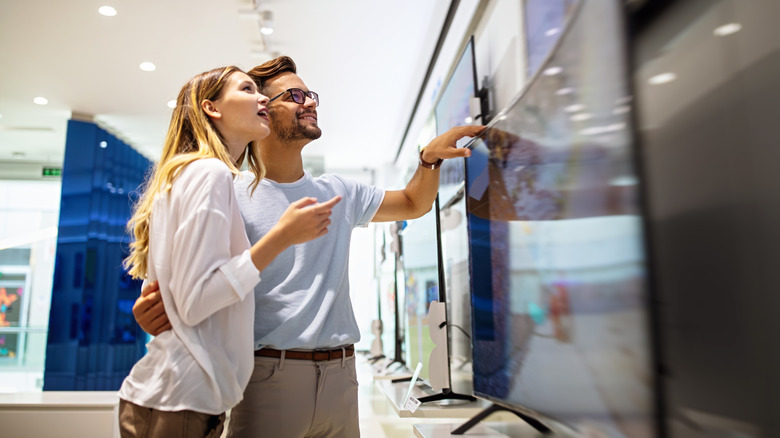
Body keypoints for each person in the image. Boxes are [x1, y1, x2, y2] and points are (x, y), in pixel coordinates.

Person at [133, 56, 485, 438]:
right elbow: (188, 281)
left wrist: (428, 159)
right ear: (265, 111)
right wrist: (154, 307)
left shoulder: (338, 191)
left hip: (343, 377)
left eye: (310, 94)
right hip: (266, 378)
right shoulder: (227, 188)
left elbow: (414, 204)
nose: (310, 102)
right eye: (295, 95)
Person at [118, 65, 340, 438]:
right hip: (180, 396)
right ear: (212, 108)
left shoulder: (193, 173)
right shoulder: (211, 174)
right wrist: (280, 238)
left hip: (180, 395)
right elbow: (195, 301)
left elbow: (180, 292)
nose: (262, 99)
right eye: (248, 89)